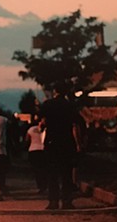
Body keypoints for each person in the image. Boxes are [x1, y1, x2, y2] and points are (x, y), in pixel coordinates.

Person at [40, 82, 82, 210]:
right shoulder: (70, 105)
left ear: (54, 91)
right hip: (66, 141)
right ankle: (67, 201)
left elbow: (43, 122)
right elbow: (76, 125)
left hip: (52, 141)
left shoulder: (47, 104)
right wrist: (78, 144)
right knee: (66, 173)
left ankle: (53, 201)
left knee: (52, 173)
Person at [25, 118, 47, 194]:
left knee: (37, 170)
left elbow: (27, 139)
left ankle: (40, 186)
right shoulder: (47, 129)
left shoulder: (31, 129)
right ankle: (45, 185)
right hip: (43, 150)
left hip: (33, 150)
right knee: (44, 169)